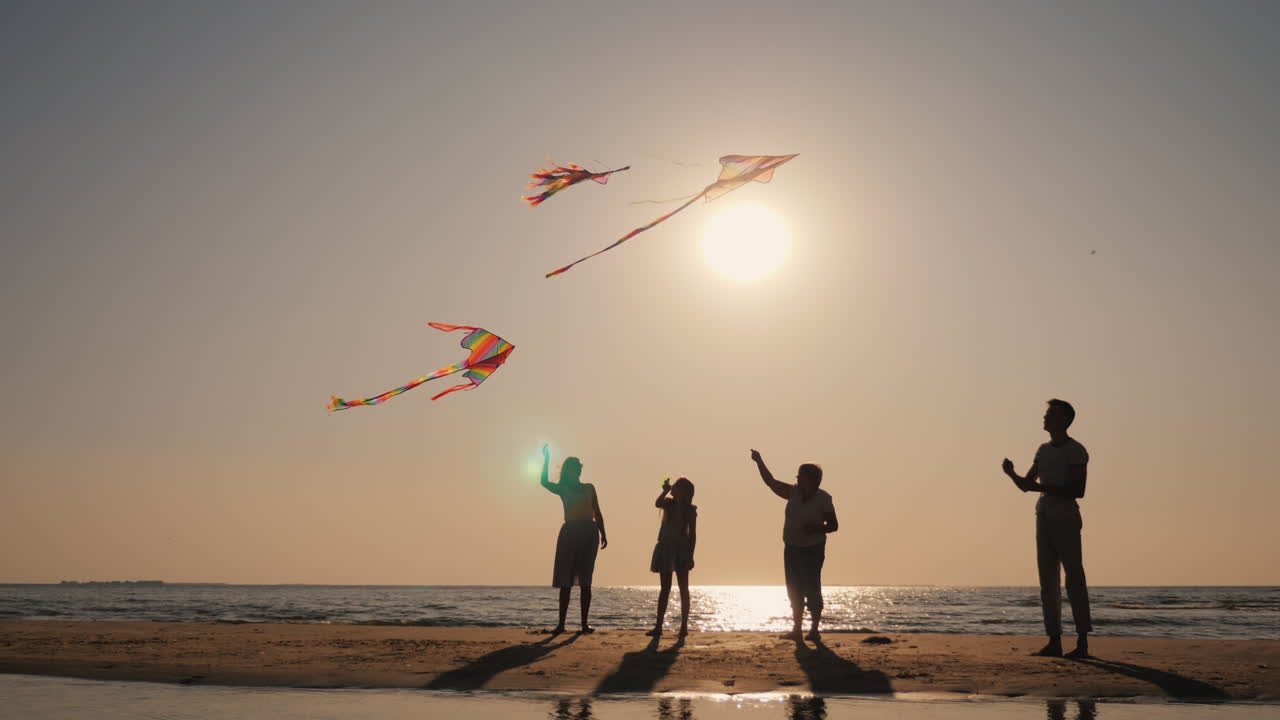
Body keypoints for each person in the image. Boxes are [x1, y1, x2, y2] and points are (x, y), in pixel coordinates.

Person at [1002, 399, 1093, 658]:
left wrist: (1040, 488)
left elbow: (1078, 490)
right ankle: (1054, 641)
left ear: (1064, 420)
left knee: (1074, 577)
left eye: (1050, 414)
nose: (1045, 417)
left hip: (1065, 514)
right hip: (1043, 514)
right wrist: (1011, 474)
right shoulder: (1043, 450)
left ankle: (1082, 642)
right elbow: (1026, 485)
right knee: (1047, 580)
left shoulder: (1076, 450)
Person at [750, 449, 838, 641]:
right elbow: (771, 482)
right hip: (792, 548)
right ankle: (797, 629)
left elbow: (833, 525)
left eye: (802, 476)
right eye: (797, 476)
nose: (798, 479)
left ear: (814, 480)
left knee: (812, 587)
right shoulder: (793, 493)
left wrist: (815, 528)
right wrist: (759, 461)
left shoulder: (824, 498)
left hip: (813, 549)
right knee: (794, 588)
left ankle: (814, 630)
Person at [540, 444, 607, 634]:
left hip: (589, 533)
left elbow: (597, 512)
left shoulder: (589, 488)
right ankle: (561, 624)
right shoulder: (563, 488)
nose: (578, 468)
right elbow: (544, 481)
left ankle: (584, 624)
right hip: (570, 532)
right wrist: (546, 458)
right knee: (566, 580)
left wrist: (603, 532)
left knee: (586, 580)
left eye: (579, 466)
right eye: (575, 466)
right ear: (569, 470)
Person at [646, 477, 697, 638]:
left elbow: (692, 535)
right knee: (665, 588)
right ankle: (659, 626)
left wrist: (690, 555)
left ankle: (683, 627)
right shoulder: (668, 503)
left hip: (681, 549)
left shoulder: (689, 510)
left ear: (683, 491)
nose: (673, 488)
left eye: (676, 486)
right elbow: (657, 503)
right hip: (666, 547)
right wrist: (665, 490)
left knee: (683, 588)